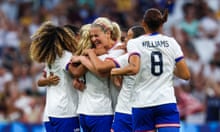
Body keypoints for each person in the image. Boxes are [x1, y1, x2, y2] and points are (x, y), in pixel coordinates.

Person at [111, 8, 191, 132]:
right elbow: (185, 75)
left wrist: (114, 71)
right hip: (166, 101)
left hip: (143, 103)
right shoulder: (171, 42)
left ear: (143, 24)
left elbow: (134, 68)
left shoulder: (135, 43)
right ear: (162, 23)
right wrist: (168, 66)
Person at [68, 17, 124, 132]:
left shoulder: (117, 51)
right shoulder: (95, 58)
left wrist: (84, 58)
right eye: (91, 36)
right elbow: (77, 72)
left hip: (95, 111)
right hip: (101, 111)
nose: (94, 39)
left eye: (96, 35)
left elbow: (101, 71)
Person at [29, 21, 80, 132]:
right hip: (66, 112)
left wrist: (47, 80)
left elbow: (39, 82)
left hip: (50, 113)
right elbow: (75, 72)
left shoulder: (51, 58)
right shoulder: (65, 56)